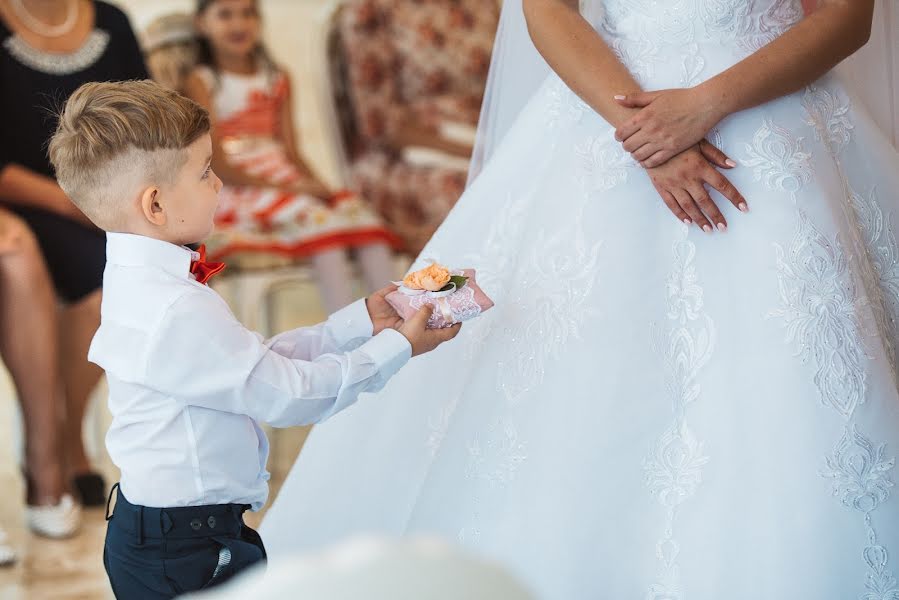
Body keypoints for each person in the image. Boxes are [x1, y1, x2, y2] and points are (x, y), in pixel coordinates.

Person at [260, 0, 899, 598]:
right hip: (603, 114)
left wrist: (701, 107)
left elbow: (848, 15)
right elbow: (546, 7)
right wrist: (642, 134)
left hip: (768, 116)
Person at [47, 79, 459, 599]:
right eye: (204, 172)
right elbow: (286, 394)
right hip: (186, 551)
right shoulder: (175, 308)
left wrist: (359, 324)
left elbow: (252, 363)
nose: (219, 183)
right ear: (154, 205)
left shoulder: (146, 282)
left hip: (171, 535)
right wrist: (400, 348)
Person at [0, 0, 149, 515]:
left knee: (143, 279)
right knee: (77, 282)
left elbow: (147, 122)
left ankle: (64, 429)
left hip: (105, 203)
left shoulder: (111, 21)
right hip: (22, 202)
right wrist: (77, 204)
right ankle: (54, 445)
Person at [183, 0, 401, 315]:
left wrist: (316, 184)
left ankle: (398, 317)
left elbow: (291, 150)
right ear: (202, 24)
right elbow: (217, 162)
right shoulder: (201, 81)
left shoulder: (277, 77)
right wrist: (297, 191)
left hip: (282, 176)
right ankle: (346, 329)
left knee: (356, 216)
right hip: (238, 185)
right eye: (225, 15)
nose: (239, 24)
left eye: (248, 14)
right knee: (320, 226)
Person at [336, 0, 499, 254]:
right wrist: (477, 153)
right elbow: (382, 126)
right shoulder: (371, 10)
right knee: (478, 195)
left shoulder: (481, 5)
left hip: (490, 135)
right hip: (408, 151)